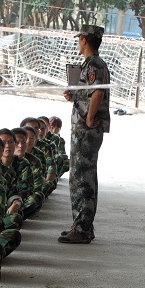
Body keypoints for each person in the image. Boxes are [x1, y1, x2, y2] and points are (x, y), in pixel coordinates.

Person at [59, 24, 110, 244]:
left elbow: (97, 92)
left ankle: (82, 228)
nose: (78, 42)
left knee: (83, 178)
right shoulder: (90, 64)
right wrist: (75, 96)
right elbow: (89, 93)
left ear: (84, 40)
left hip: (86, 130)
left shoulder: (94, 64)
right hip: (83, 130)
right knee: (80, 176)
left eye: (79, 38)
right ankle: (81, 225)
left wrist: (89, 118)